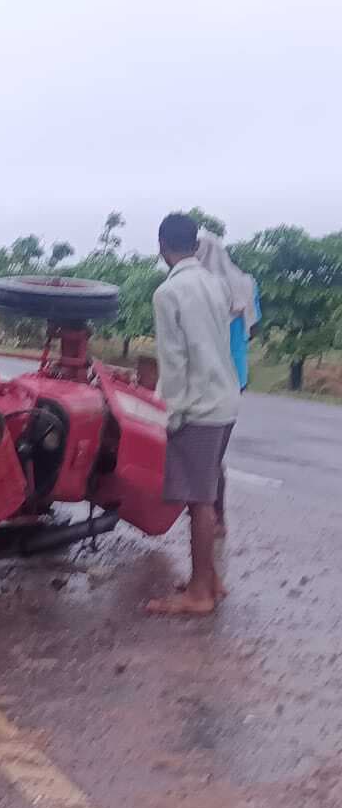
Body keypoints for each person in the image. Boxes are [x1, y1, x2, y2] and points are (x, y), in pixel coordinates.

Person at [146, 214, 241, 616]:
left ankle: (199, 592)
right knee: (207, 491)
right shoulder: (215, 284)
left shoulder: (168, 293)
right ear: (196, 246)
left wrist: (172, 415)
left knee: (198, 501)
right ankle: (211, 578)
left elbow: (174, 360)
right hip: (224, 401)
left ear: (162, 245)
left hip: (197, 408)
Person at [194, 232, 260, 535]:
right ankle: (212, 513)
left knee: (205, 451)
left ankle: (211, 516)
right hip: (238, 375)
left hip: (209, 376)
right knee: (216, 448)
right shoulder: (247, 283)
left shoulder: (200, 287)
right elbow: (253, 327)